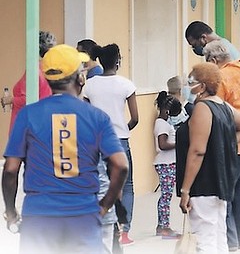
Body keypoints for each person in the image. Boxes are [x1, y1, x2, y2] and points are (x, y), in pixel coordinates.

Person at [2, 44, 128, 254]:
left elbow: (10, 170)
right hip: (84, 216)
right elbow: (121, 166)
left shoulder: (28, 115)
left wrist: (11, 211)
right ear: (80, 79)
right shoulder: (97, 117)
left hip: (39, 217)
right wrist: (104, 206)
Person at [176, 63, 240, 254]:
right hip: (220, 184)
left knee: (205, 241)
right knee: (219, 238)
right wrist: (222, 144)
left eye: (191, 82)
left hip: (203, 184)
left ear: (202, 86)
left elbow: (197, 151)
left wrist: (185, 189)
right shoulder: (223, 105)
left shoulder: (202, 108)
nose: (188, 86)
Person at [203, 40, 240, 251]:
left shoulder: (219, 78)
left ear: (214, 60)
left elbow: (218, 112)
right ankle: (239, 238)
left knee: (225, 193)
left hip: (232, 142)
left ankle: (231, 240)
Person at [82, 43, 138, 245]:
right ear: (118, 61)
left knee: (101, 182)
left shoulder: (90, 85)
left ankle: (107, 222)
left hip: (96, 142)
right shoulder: (126, 84)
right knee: (127, 185)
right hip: (120, 140)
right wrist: (122, 129)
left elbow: (87, 115)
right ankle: (124, 230)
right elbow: (135, 118)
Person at [6, 30, 55, 132]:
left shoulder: (34, 69)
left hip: (26, 124)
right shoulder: (52, 70)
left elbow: (29, 99)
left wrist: (11, 100)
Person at [153, 91, 182, 239]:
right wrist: (180, 143)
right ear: (167, 111)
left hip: (168, 163)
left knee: (166, 195)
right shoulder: (162, 124)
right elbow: (162, 144)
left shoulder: (162, 123)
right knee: (166, 196)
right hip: (166, 163)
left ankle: (162, 225)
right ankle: (165, 227)